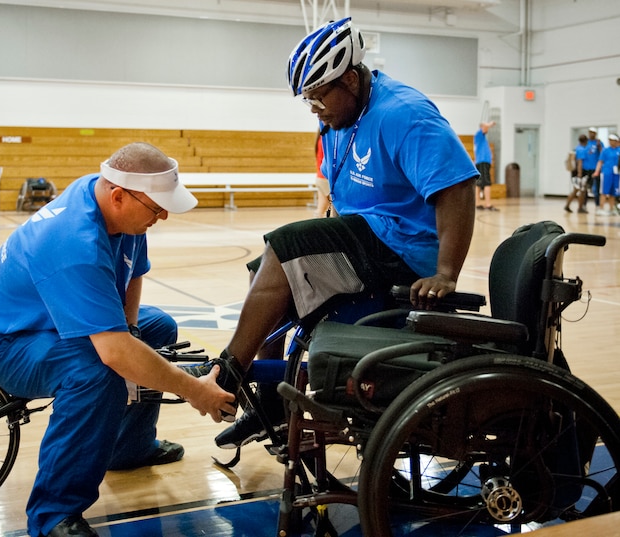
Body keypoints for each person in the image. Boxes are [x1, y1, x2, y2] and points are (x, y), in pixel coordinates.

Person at [200, 18, 478, 450]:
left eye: (318, 95)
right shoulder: (338, 120)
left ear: (349, 78)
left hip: (404, 249)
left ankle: (228, 374)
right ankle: (270, 402)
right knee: (264, 268)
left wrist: (445, 273)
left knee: (285, 245)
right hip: (369, 236)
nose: (313, 106)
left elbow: (458, 186)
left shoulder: (404, 113)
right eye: (307, 98)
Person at [0, 142, 236, 537]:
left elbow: (134, 271)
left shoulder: (112, 201)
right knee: (97, 376)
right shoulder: (73, 243)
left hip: (44, 316)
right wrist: (194, 391)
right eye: (157, 208)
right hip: (4, 341)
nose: (164, 215)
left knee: (158, 328)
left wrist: (133, 331)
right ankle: (53, 516)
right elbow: (116, 354)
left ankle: (128, 448)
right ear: (119, 196)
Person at [474, 120, 498, 211]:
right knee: (487, 183)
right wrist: (491, 123)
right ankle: (488, 204)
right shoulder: (479, 134)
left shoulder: (481, 138)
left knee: (479, 183)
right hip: (483, 162)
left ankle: (478, 204)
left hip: (482, 162)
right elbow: (485, 127)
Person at [594, 133, 620, 216]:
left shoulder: (619, 150)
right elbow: (600, 161)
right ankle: (601, 208)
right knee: (604, 191)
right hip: (606, 173)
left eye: (612, 140)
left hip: (616, 174)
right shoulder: (605, 150)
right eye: (609, 140)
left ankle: (611, 209)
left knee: (613, 192)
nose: (610, 142)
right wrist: (597, 171)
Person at [564, 134, 590, 213]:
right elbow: (580, 162)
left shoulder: (576, 148)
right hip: (579, 173)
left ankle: (569, 205)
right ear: (586, 141)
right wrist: (580, 174)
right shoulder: (581, 149)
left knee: (578, 190)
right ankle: (579, 207)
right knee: (580, 190)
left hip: (574, 173)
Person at [583, 127, 604, 210]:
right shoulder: (585, 142)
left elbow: (603, 154)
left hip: (595, 169)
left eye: (593, 132)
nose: (592, 134)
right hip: (585, 168)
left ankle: (597, 205)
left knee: (596, 188)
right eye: (590, 132)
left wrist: (599, 146)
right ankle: (584, 205)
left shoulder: (599, 143)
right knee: (585, 188)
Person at [313, 130, 330, 217]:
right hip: (326, 178)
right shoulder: (328, 138)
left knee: (320, 210)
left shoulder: (319, 138)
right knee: (334, 210)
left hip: (320, 177)